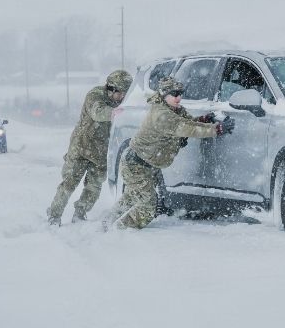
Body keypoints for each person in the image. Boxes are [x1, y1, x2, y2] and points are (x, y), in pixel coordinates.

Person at [104, 76, 234, 230]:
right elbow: (186, 128)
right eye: (174, 94)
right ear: (165, 95)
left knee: (132, 197)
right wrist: (216, 129)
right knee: (147, 208)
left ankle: (106, 225)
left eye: (181, 93)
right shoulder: (162, 115)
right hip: (136, 165)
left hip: (146, 164)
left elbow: (187, 122)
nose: (179, 97)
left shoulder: (173, 109)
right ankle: (119, 231)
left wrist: (204, 119)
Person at [46, 70, 133, 225]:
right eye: (121, 93)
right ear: (111, 88)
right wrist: (114, 113)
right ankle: (54, 215)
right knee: (69, 183)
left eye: (125, 93)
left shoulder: (122, 102)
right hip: (81, 147)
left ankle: (80, 213)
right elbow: (97, 112)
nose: (122, 97)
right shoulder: (95, 94)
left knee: (93, 187)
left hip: (101, 152)